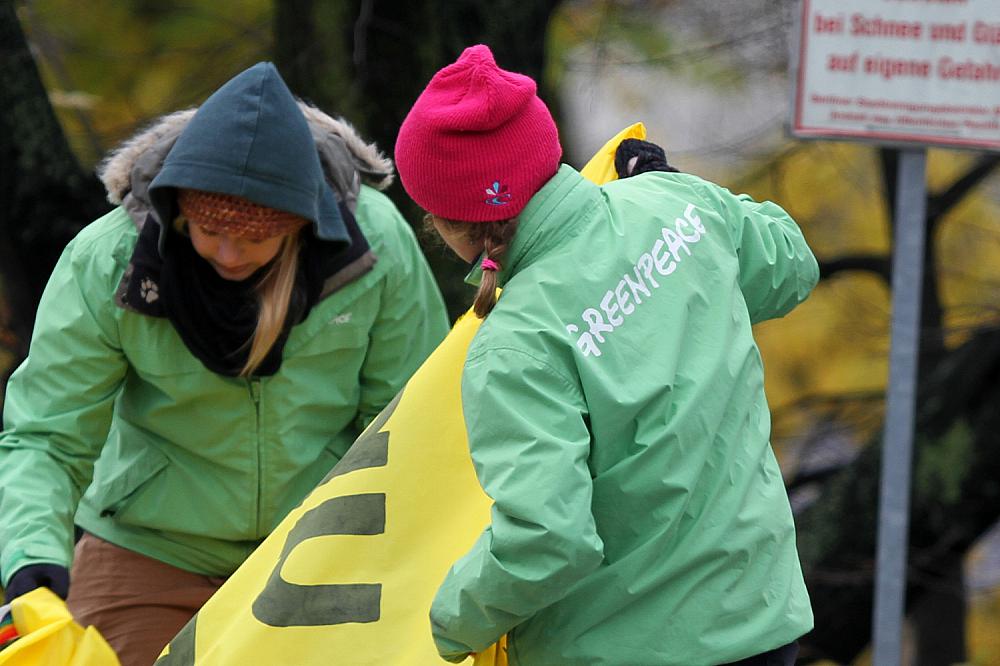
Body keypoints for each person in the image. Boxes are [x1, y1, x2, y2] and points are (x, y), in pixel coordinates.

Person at [0, 62, 448, 665]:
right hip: (151, 545)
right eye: (209, 230)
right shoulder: (107, 262)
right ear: (179, 206)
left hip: (320, 539)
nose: (229, 253)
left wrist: (416, 553)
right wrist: (31, 560)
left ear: (300, 224)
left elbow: (411, 421)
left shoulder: (374, 249)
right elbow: (47, 436)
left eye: (256, 238)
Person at [394, 45, 818, 666]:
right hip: (757, 621)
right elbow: (790, 267)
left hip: (622, 646)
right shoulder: (677, 207)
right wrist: (679, 196)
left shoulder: (516, 343)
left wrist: (436, 627)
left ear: (450, 223)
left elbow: (548, 542)